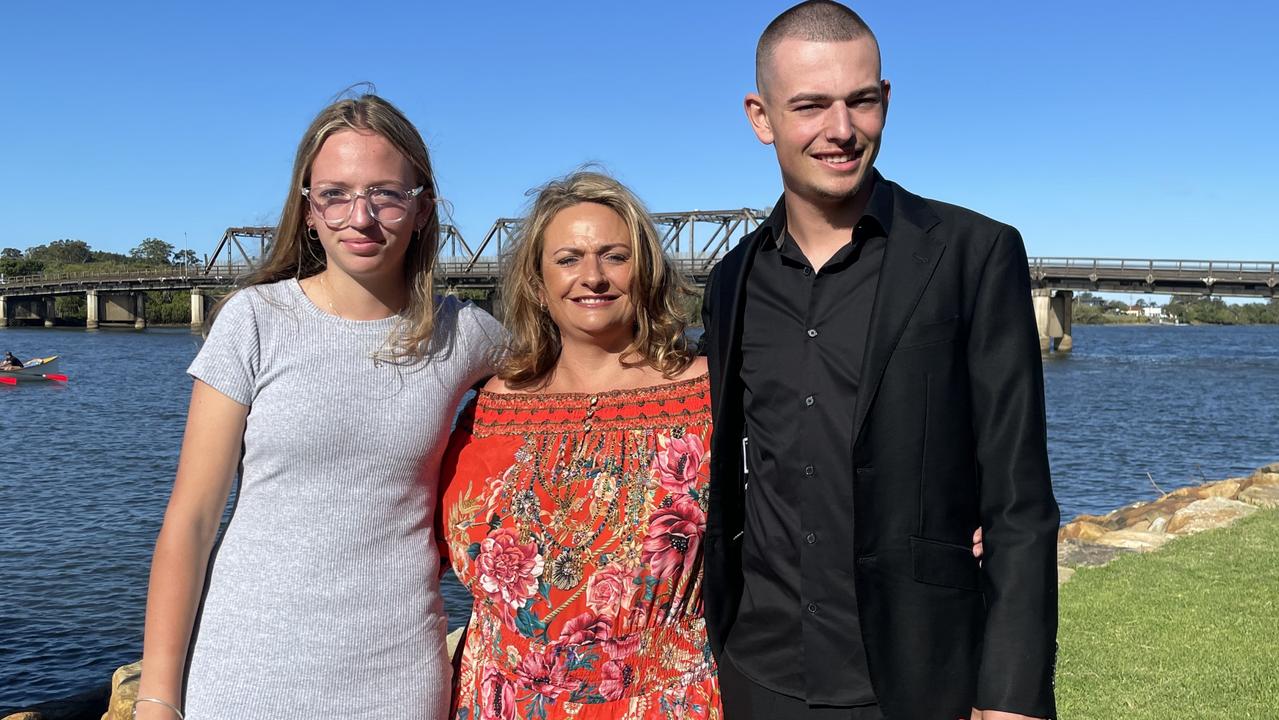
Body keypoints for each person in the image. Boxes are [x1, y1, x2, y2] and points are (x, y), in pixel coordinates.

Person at [698, 3, 1059, 719]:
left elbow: (1018, 500)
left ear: (884, 100)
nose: (840, 130)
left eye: (859, 101)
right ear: (759, 116)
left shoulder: (972, 254)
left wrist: (1011, 692)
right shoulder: (732, 279)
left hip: (921, 673)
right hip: (760, 672)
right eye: (809, 106)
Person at [134, 94, 504, 720]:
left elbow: (577, 382)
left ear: (423, 211)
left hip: (397, 678)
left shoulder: (468, 336)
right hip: (244, 672)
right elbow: (191, 520)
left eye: (386, 194)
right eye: (335, 193)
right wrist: (156, 697)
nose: (360, 217)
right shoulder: (255, 322)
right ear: (308, 210)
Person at [438, 171, 721, 719]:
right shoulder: (486, 410)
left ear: (646, 274)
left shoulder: (710, 397)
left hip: (661, 702)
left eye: (614, 256)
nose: (592, 277)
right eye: (568, 259)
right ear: (538, 286)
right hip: (499, 700)